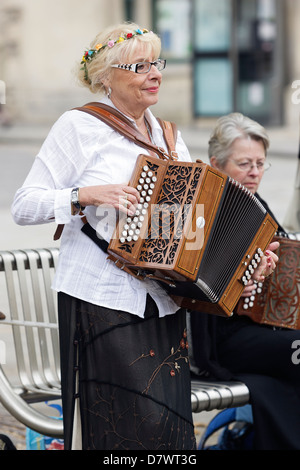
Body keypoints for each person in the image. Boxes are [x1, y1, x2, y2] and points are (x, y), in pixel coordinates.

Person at [10, 23, 275, 451]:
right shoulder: (79, 127)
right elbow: (25, 205)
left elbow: (194, 233)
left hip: (163, 304)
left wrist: (247, 267)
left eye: (157, 63)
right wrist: (84, 195)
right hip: (102, 301)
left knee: (168, 434)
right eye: (139, 65)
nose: (154, 73)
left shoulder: (170, 139)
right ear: (105, 76)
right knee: (125, 432)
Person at [189, 112, 300, 450]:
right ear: (216, 164)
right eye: (244, 163)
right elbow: (187, 284)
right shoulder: (200, 210)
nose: (254, 172)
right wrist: (238, 287)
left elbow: (280, 272)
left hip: (266, 330)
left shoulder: (257, 205)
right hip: (220, 337)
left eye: (260, 164)